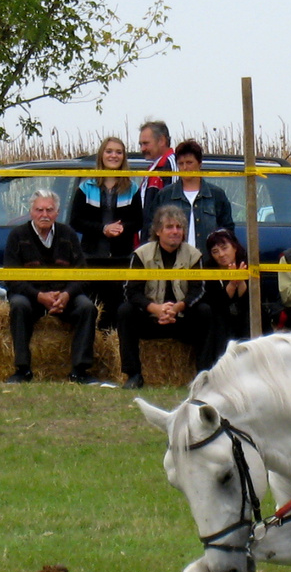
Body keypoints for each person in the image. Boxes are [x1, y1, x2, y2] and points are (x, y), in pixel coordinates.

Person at [3, 188, 97, 384]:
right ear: (31, 212)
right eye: (39, 210)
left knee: (87, 307)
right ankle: (22, 370)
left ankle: (80, 370)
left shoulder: (68, 234)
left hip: (63, 296)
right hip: (31, 296)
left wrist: (66, 295)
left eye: (49, 210)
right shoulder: (17, 235)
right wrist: (39, 296)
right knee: (18, 305)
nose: (44, 215)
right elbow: (11, 279)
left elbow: (83, 274)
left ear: (57, 213)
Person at [117, 205, 213, 389]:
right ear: (158, 231)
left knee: (205, 311)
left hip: (181, 319)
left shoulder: (193, 255)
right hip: (151, 319)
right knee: (125, 311)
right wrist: (156, 309)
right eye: (169, 227)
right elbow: (131, 291)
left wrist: (177, 308)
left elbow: (198, 290)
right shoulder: (141, 254)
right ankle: (133, 375)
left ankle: (202, 376)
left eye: (179, 227)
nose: (175, 231)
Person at [68, 135, 143, 326]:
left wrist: (121, 228)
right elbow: (75, 221)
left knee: (116, 307)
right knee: (93, 306)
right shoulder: (86, 186)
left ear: (123, 157)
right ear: (102, 155)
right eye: (109, 151)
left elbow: (139, 221)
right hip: (92, 256)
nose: (113, 156)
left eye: (118, 152)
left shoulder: (132, 188)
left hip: (121, 257)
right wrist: (103, 229)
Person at [150, 139, 233, 250]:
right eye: (181, 163)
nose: (185, 167)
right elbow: (152, 230)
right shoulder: (165, 196)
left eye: (189, 162)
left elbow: (228, 232)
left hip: (207, 263)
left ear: (199, 164)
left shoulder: (216, 195)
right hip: (174, 263)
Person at [200, 228, 252, 365]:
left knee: (250, 316)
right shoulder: (208, 270)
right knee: (218, 319)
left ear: (234, 247)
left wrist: (240, 281)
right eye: (215, 252)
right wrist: (231, 285)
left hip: (243, 313)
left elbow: (248, 302)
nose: (221, 254)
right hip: (221, 315)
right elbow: (216, 304)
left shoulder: (248, 264)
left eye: (224, 248)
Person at [137, 121, 176, 229]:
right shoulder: (154, 168)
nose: (142, 149)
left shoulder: (171, 165)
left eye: (146, 143)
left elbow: (173, 208)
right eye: (141, 144)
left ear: (162, 141)